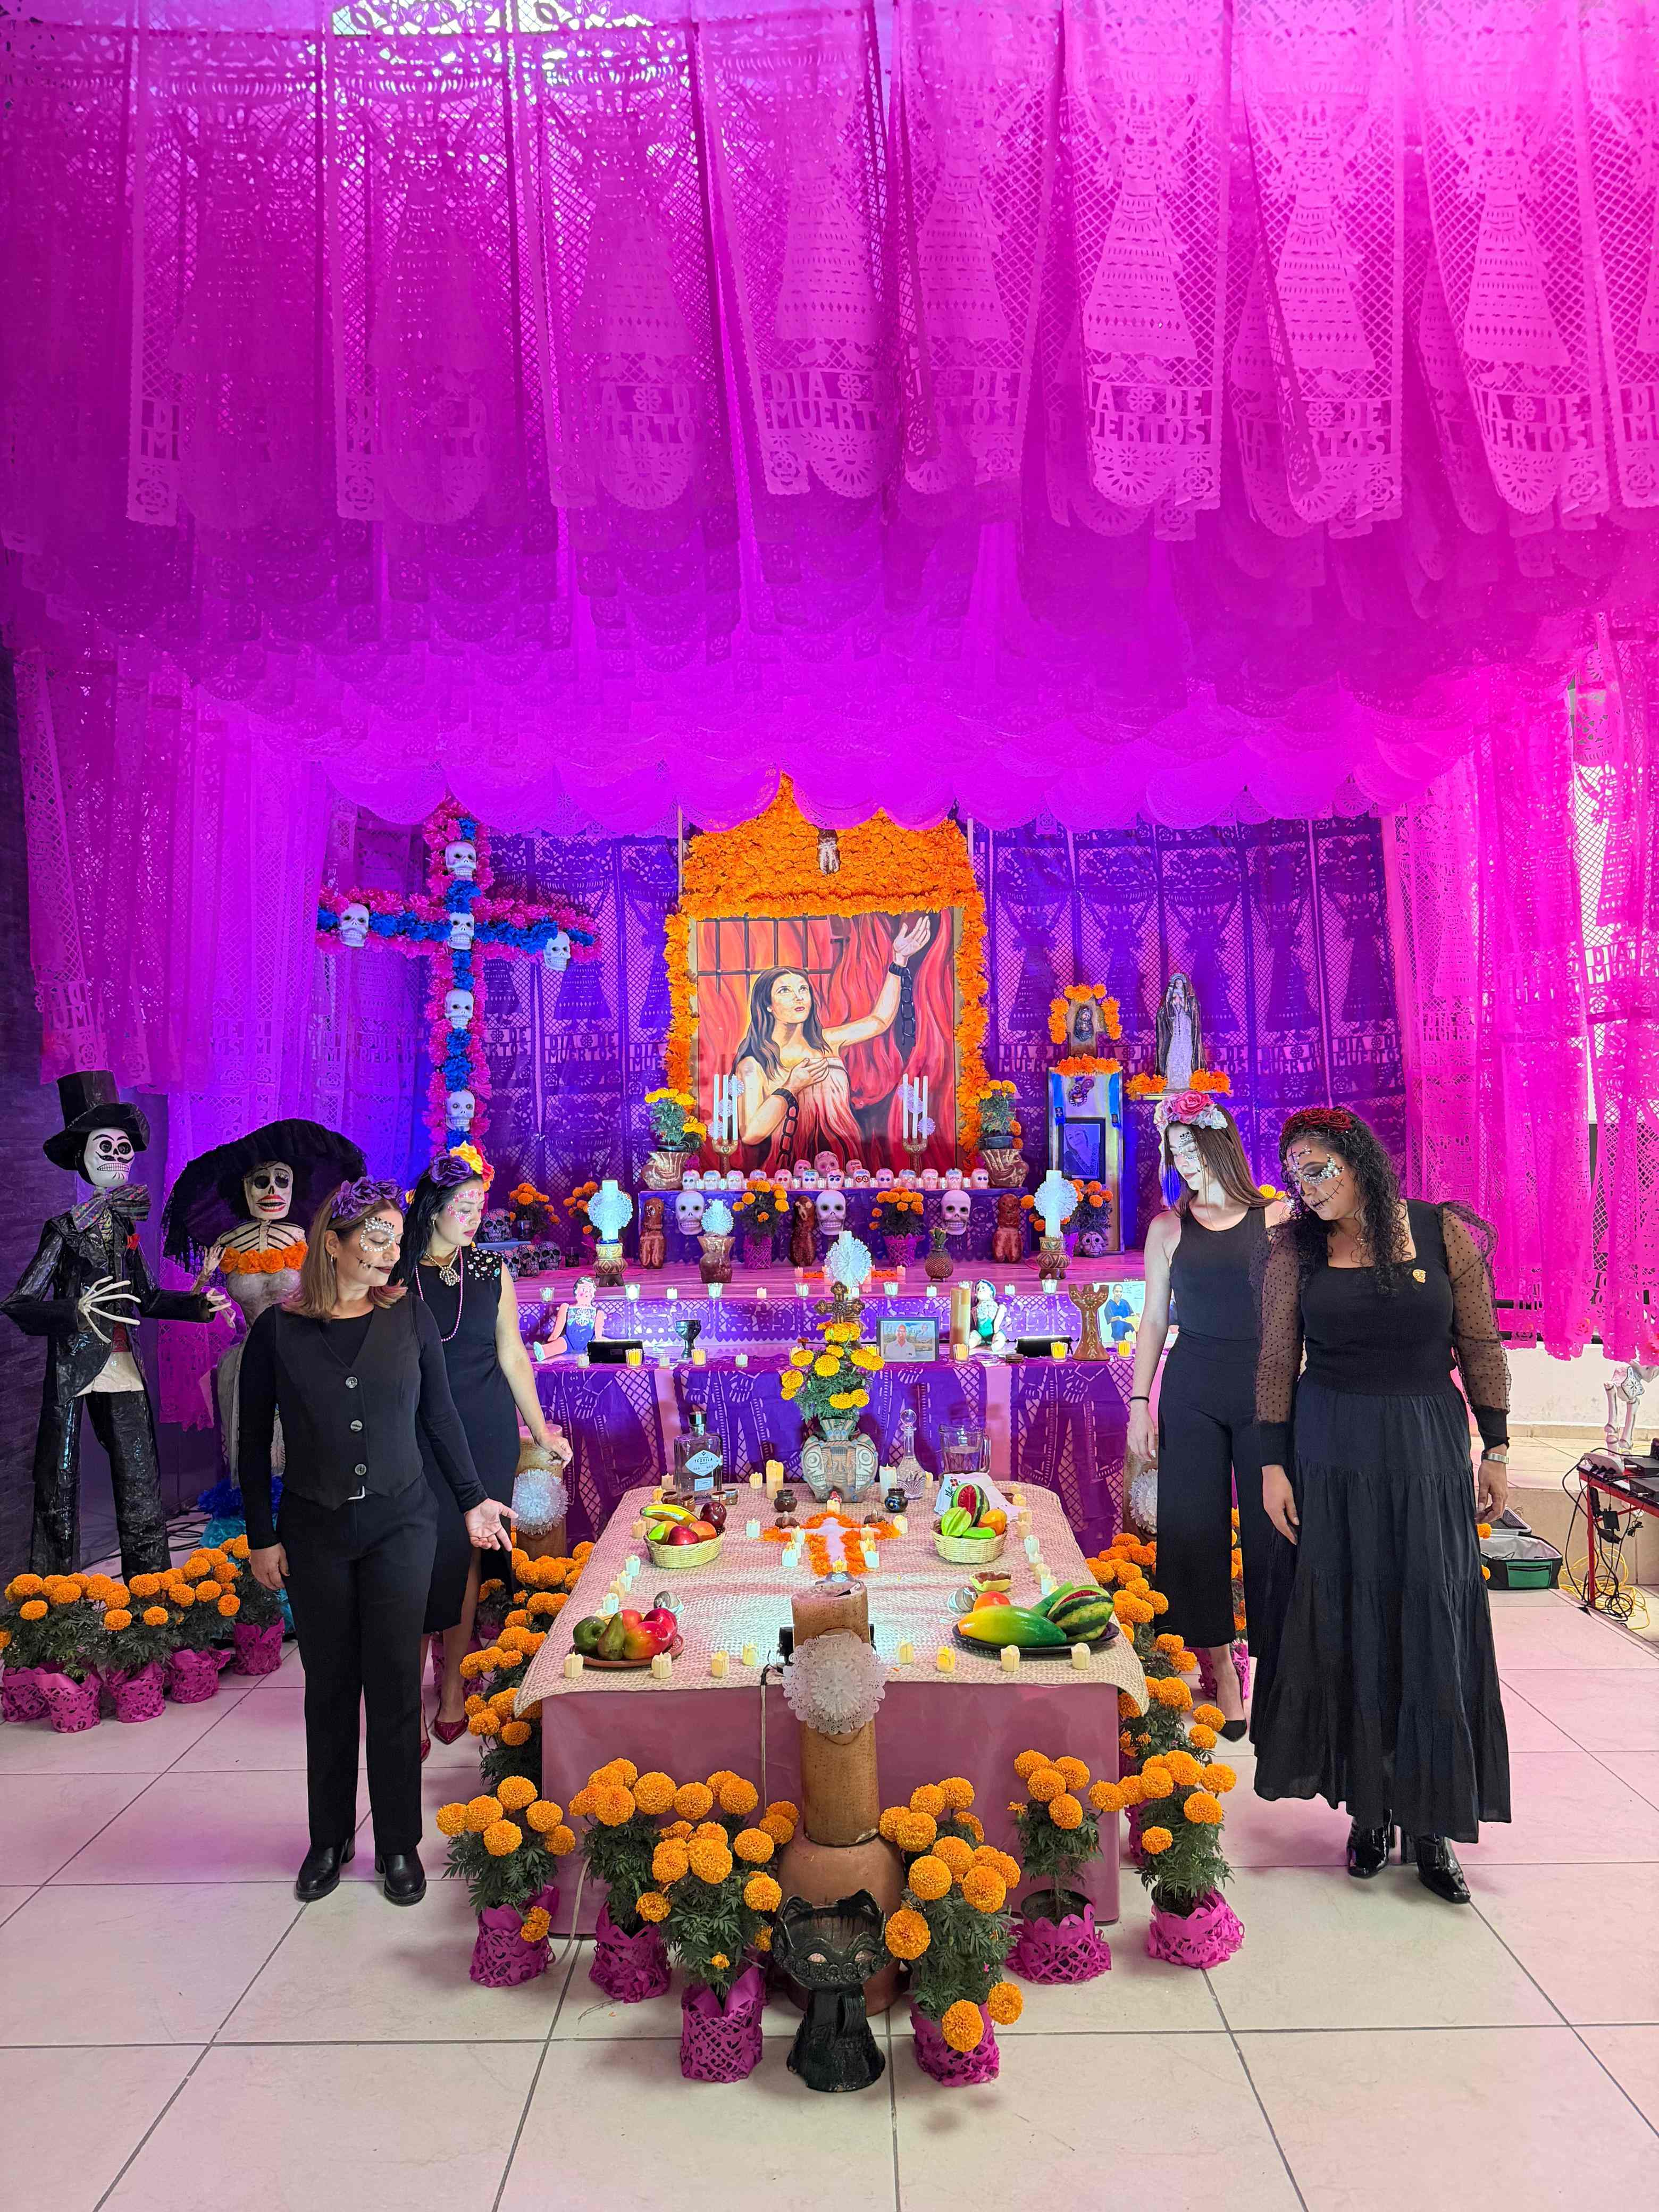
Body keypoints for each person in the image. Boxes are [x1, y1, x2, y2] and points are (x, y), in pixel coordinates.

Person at [1251, 1106, 1511, 1904]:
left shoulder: (1441, 1231)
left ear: (1359, 1159)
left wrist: (1497, 1445)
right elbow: (1276, 1359)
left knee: (1430, 1614)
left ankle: (1431, 1822)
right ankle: (1369, 1810)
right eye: (1296, 1173)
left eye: (1319, 1168)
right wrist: (1271, 1464)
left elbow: (1481, 1342)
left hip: (1427, 1446)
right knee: (1350, 1618)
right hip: (1331, 1450)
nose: (1306, 1186)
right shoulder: (1295, 1248)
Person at [239, 1178, 515, 1906]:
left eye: (397, 1237)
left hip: (402, 1526)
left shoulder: (409, 1316)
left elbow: (441, 1419)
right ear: (332, 1244)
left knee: (394, 1688)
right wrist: (262, 1536)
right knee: (329, 1690)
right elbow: (250, 1443)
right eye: (377, 1237)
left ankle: (397, 1843)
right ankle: (328, 1839)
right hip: (316, 1531)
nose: (393, 1252)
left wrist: (472, 1500)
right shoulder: (277, 1332)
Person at [6, 1071, 231, 1579]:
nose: (115, 1156)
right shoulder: (63, 1230)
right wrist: (74, 1309)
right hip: (74, 1365)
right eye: (104, 1146)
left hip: (123, 1363)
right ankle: (51, 1597)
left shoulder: (126, 1225)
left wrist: (198, 1305)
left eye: (123, 1148)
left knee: (140, 1479)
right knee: (58, 1482)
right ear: (82, 1156)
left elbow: (146, 1297)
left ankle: (151, 1591)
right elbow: (18, 1303)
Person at [391, 1151, 566, 1748]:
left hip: (485, 1427)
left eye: (478, 1208)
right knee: (421, 1558)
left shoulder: (491, 1269)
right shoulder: (395, 1269)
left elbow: (511, 1352)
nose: (472, 1219)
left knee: (467, 1556)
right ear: (431, 1209)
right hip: (416, 1430)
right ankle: (403, 1703)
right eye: (461, 1208)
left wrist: (540, 1432)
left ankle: (451, 1691)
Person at [1127, 1093, 1288, 1738]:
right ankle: (1221, 1666)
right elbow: (1153, 1319)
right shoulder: (1168, 1229)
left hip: (1264, 1389)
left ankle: (1277, 1671)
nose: (1185, 1162)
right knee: (1193, 1528)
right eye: (1176, 1152)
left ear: (1222, 1142)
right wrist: (1140, 1401)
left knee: (1275, 1529)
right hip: (1191, 1386)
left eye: (1193, 1147)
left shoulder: (1276, 1216)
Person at [160, 1119, 366, 1487]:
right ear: (245, 1188)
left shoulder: (305, 1237)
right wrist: (204, 1280)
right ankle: (252, 1507)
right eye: (261, 1181)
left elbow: (332, 1290)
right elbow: (196, 1305)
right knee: (251, 1442)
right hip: (249, 1354)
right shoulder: (228, 1244)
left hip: (303, 1351)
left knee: (303, 1441)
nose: (272, 1190)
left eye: (282, 1180)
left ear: (294, 1187)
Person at [733, 916, 932, 1170]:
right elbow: (751, 1134)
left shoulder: (827, 1041)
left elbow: (879, 1021)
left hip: (848, 1162)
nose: (798, 997)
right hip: (792, 1170)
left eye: (803, 989)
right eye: (785, 991)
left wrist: (898, 962)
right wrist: (792, 1086)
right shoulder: (753, 1064)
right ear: (767, 1005)